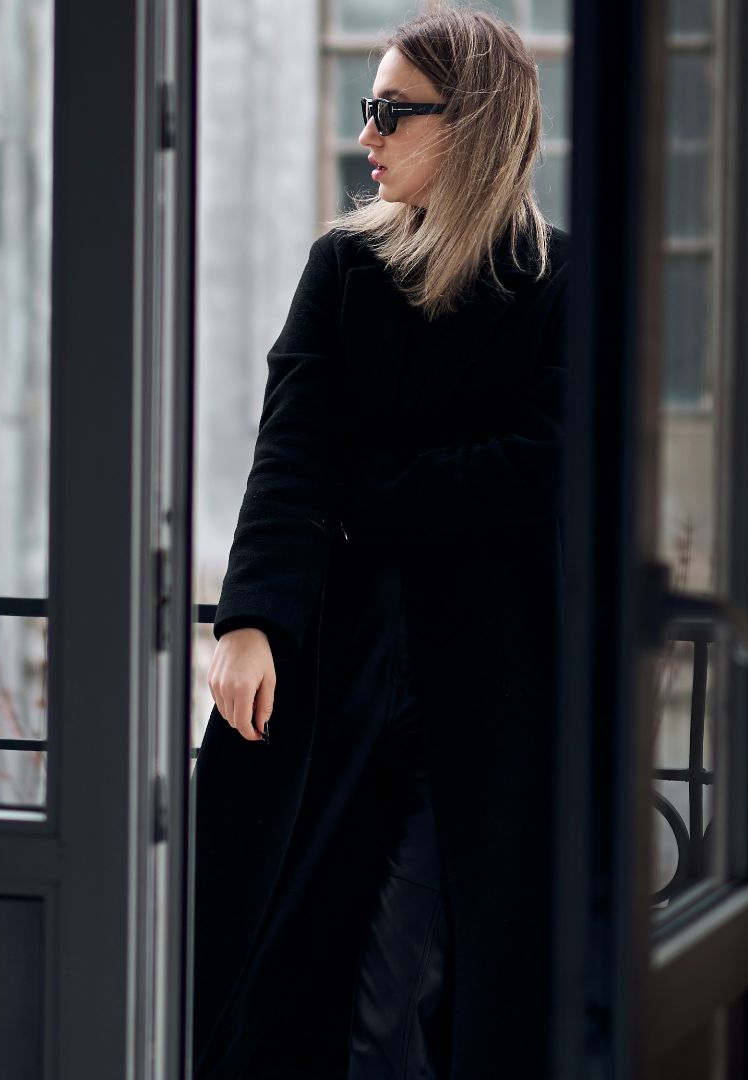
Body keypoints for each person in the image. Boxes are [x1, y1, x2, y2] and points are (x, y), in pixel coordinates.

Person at [192, 7, 569, 1077]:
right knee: (272, 957)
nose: (367, 134)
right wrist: (252, 620)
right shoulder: (345, 269)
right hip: (334, 667)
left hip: (485, 685)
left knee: (406, 972)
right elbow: (290, 452)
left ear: (476, 125)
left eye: (392, 112)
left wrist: (371, 496)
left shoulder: (558, 283)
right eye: (369, 108)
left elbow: (544, 464)